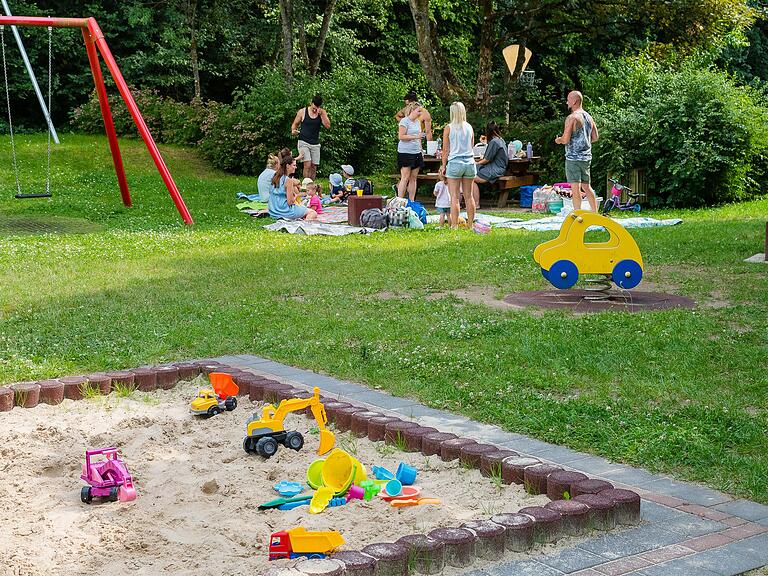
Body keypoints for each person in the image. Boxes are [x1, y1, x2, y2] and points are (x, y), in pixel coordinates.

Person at [555, 90, 599, 212]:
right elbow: (595, 137)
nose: (566, 102)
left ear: (574, 101)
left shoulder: (572, 118)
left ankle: (577, 214)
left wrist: (558, 140)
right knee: (586, 186)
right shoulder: (589, 117)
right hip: (586, 158)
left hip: (573, 159)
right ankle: (595, 213)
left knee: (575, 188)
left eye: (568, 99)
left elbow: (565, 139)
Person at [440, 102, 476, 228]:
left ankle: (454, 225)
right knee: (469, 196)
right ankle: (470, 225)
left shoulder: (449, 127)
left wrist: (443, 165)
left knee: (454, 197)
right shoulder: (469, 127)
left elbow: (445, 150)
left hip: (455, 162)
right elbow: (471, 146)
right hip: (469, 162)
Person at [291, 94, 331, 181]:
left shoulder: (322, 112)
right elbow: (295, 124)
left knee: (314, 165)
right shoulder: (302, 112)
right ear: (311, 103)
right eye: (314, 107)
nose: (315, 109)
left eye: (317, 107)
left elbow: (328, 126)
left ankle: (311, 186)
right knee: (307, 164)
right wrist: (293, 130)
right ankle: (305, 184)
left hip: (315, 143)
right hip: (303, 141)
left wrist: (322, 115)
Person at [268, 154, 318, 220]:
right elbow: (290, 202)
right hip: (284, 211)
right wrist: (296, 195)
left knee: (302, 209)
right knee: (313, 213)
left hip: (273, 211)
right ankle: (305, 225)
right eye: (294, 165)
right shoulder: (288, 181)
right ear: (288, 166)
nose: (296, 167)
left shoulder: (275, 177)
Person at [472, 122, 508, 208]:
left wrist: (476, 162)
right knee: (472, 173)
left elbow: (486, 160)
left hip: (495, 169)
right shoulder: (500, 140)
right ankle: (474, 203)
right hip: (500, 168)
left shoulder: (494, 142)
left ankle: (476, 204)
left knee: (470, 177)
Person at [397, 102, 426, 201]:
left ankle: (412, 200)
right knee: (405, 177)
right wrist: (415, 137)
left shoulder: (418, 122)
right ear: (412, 110)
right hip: (405, 152)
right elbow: (401, 136)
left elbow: (419, 137)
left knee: (414, 177)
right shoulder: (404, 121)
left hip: (416, 152)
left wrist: (421, 150)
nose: (420, 113)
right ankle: (400, 200)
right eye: (418, 111)